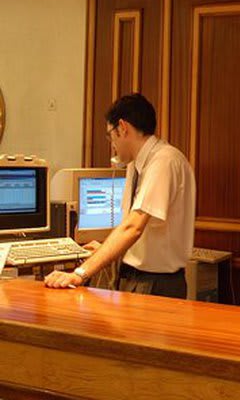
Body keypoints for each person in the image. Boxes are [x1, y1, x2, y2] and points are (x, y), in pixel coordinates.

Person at [44, 94, 196, 298]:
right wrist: (104, 249)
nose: (112, 144)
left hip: (156, 283)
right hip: (136, 278)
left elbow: (133, 227)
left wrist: (80, 273)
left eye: (110, 135)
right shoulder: (136, 165)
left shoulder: (164, 162)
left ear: (122, 127)